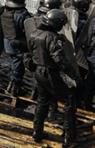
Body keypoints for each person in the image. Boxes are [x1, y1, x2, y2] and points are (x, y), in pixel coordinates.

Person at [28, 9, 79, 145]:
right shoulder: (52, 38)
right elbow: (59, 59)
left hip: (39, 72)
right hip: (51, 73)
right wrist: (72, 73)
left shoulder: (35, 33)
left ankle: (37, 132)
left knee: (42, 102)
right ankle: (69, 137)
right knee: (69, 101)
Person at [1, 0, 31, 96]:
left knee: (14, 64)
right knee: (18, 68)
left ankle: (11, 86)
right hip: (19, 45)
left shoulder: (6, 12)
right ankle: (14, 89)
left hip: (8, 43)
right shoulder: (23, 14)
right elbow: (27, 30)